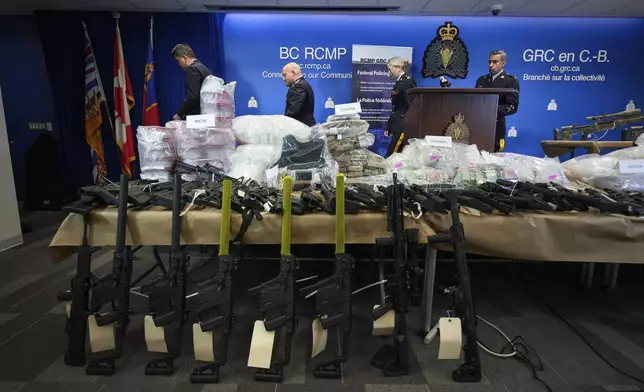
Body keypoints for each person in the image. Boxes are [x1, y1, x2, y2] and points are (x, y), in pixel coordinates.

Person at [475, 50, 520, 152]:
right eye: (489, 62)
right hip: (478, 127)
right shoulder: (481, 80)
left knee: (494, 161)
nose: (491, 65)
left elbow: (512, 107)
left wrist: (490, 110)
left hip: (496, 129)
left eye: (495, 62)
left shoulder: (511, 81)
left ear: (503, 63)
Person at [384, 57, 417, 158]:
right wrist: (389, 126)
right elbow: (396, 107)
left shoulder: (407, 82)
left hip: (403, 125)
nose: (389, 72)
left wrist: (410, 125)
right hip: (397, 125)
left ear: (399, 68)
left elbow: (412, 105)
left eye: (391, 69)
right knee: (395, 156)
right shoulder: (399, 82)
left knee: (391, 156)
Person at [171, 44, 212, 120]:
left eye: (178, 61)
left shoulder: (192, 69)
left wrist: (179, 114)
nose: (179, 65)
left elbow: (193, 97)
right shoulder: (203, 68)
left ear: (184, 58)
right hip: (209, 115)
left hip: (199, 117)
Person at [282, 62, 315, 126]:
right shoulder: (302, 84)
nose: (283, 78)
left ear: (293, 73)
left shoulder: (299, 86)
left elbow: (293, 111)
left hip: (301, 129)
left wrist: (282, 122)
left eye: (285, 75)